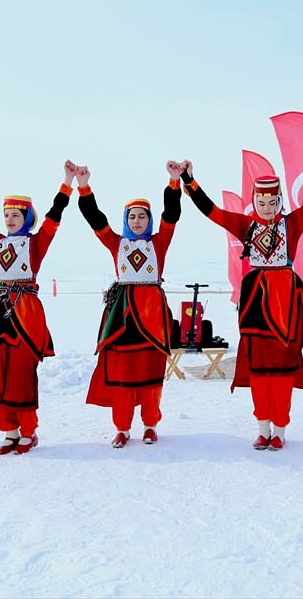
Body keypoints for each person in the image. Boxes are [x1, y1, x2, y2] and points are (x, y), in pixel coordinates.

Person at [180, 141, 303, 450]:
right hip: (256, 303)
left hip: (286, 303)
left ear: (279, 201)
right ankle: (262, 427)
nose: (267, 207)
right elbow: (213, 213)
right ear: (254, 201)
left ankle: (280, 430)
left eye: (272, 202)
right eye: (261, 201)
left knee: (283, 369)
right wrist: (189, 182)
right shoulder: (244, 224)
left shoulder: (293, 223)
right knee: (259, 369)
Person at [0, 162, 74, 455]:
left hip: (24, 310)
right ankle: (9, 432)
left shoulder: (36, 243)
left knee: (21, 373)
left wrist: (67, 182)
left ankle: (28, 431)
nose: (10, 219)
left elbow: (53, 217)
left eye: (15, 215)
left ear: (27, 218)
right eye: (7, 215)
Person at [80, 161, 183, 448]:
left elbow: (171, 215)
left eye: (142, 217)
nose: (137, 221)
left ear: (148, 220)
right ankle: (122, 428)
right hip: (122, 316)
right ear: (126, 220)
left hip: (152, 314)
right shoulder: (117, 244)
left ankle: (150, 425)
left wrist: (174, 182)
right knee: (123, 373)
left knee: (151, 372)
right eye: (132, 217)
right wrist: (84, 187)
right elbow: (95, 218)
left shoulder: (158, 243)